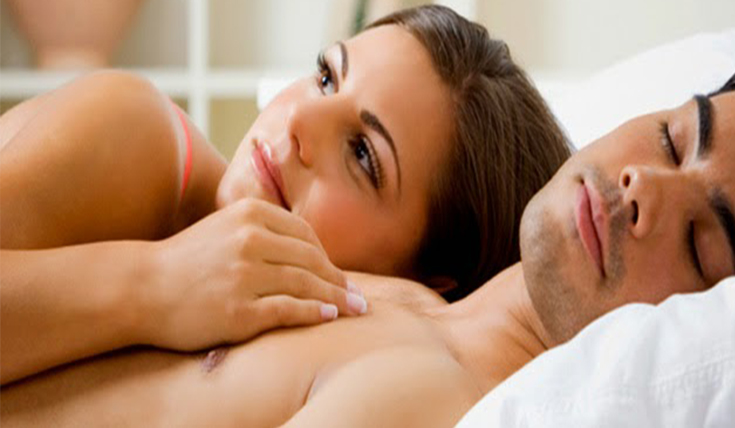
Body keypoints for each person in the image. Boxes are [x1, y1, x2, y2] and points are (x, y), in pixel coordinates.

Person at [3, 60, 733, 428]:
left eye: (701, 240)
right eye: (674, 139)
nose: (643, 187)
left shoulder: (432, 394)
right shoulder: (390, 295)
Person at [0, 5, 571, 385]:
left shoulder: (355, 373)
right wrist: (157, 283)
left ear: (428, 282)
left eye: (362, 153)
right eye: (326, 77)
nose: (298, 120)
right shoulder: (136, 138)